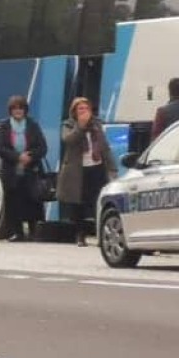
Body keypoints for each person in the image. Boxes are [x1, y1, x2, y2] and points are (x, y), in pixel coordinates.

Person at [57, 96, 118, 247]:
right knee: (79, 204)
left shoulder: (96, 124)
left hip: (96, 167)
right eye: (80, 109)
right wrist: (81, 127)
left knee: (98, 201)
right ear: (74, 112)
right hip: (78, 170)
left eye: (86, 108)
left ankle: (101, 235)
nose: (83, 112)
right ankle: (80, 235)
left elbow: (104, 146)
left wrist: (112, 168)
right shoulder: (69, 125)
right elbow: (68, 140)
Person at [0, 95, 48, 241]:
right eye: (15, 108)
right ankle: (17, 232)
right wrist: (17, 157)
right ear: (10, 111)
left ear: (25, 110)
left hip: (31, 170)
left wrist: (30, 156)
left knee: (32, 201)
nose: (18, 111)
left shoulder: (33, 125)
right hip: (12, 171)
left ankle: (33, 231)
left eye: (21, 108)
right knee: (13, 202)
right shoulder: (5, 126)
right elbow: (0, 148)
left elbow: (43, 147)